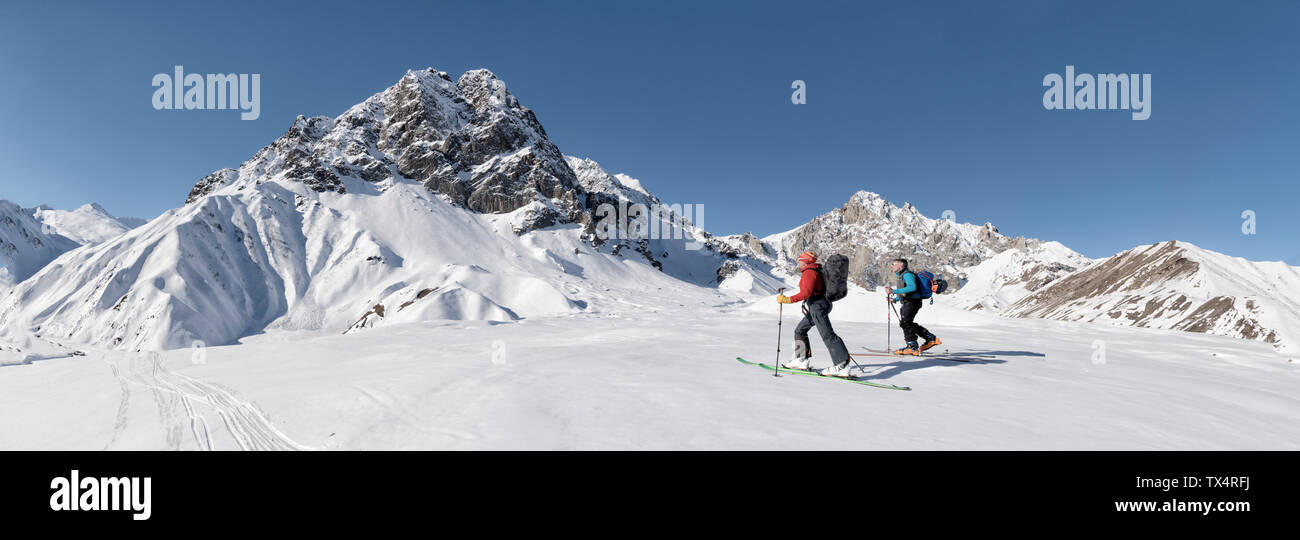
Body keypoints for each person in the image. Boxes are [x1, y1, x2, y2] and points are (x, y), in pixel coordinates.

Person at [777, 251, 853, 377]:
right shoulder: (814, 270)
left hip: (818, 306)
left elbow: (806, 292)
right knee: (800, 330)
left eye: (799, 259)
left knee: (827, 334)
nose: (798, 262)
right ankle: (801, 359)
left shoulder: (809, 272)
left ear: (806, 261)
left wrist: (788, 300)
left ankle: (841, 365)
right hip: (818, 305)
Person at [888, 258, 941, 355]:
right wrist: (895, 299)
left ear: (901, 266)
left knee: (905, 323)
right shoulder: (902, 275)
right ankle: (930, 339)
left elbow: (912, 287)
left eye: (894, 264)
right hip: (911, 301)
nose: (892, 266)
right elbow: (907, 292)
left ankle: (912, 346)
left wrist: (893, 291)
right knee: (907, 323)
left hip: (912, 302)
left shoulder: (907, 274)